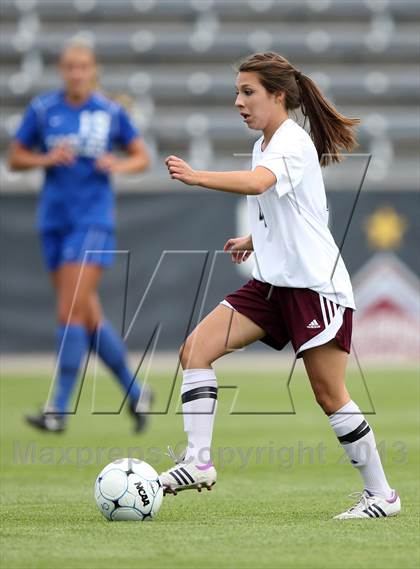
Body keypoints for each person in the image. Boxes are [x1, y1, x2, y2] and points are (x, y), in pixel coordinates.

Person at [160, 52, 400, 520]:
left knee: (330, 395)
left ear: (279, 96)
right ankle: (199, 461)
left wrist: (197, 176)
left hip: (315, 288)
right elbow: (300, 208)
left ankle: (382, 496)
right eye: (237, 92)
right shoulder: (266, 144)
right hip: (273, 283)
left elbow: (257, 184)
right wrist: (257, 238)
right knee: (196, 350)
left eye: (248, 92)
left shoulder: (289, 142)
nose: (238, 102)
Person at [8, 41, 152, 433]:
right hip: (53, 220)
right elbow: (15, 156)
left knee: (70, 310)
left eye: (83, 66)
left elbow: (141, 157)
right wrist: (45, 158)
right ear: (62, 70)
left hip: (92, 221)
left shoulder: (109, 112)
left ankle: (57, 408)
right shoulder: (43, 110)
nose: (76, 73)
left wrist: (118, 164)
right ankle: (136, 390)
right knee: (86, 315)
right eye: (70, 66)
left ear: (94, 70)